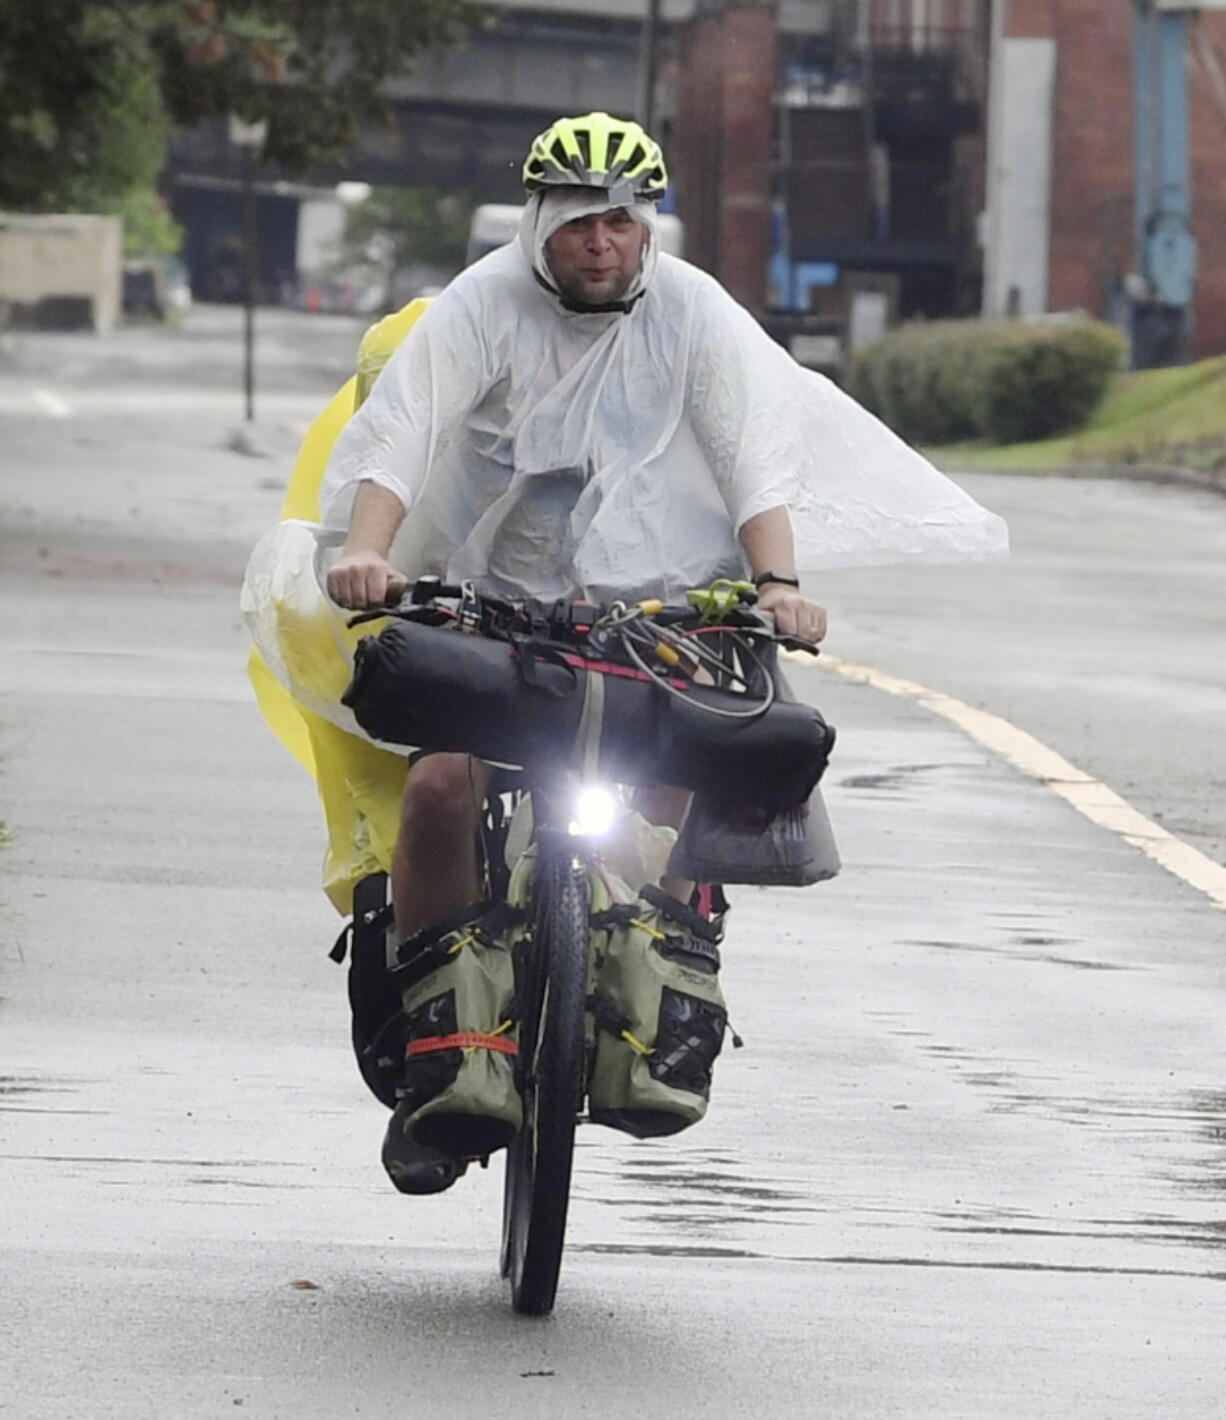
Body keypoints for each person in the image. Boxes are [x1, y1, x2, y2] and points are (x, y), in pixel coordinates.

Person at [313, 111, 1007, 1189]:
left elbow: (750, 452)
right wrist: (367, 551)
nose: (602, 242)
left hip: (646, 605)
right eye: (581, 221)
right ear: (543, 223)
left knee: (683, 757)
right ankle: (433, 1056)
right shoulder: (483, 305)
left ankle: (658, 979)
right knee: (444, 786)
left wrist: (777, 585)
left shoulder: (690, 310)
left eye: (624, 222)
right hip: (488, 592)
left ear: (648, 229)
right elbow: (404, 427)